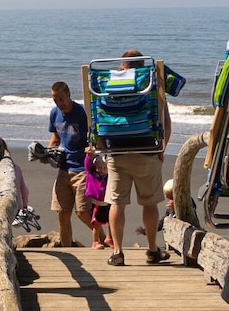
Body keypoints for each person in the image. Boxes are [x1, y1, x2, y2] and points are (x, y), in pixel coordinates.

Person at [102, 49, 170, 266]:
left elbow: (95, 117)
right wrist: (162, 148)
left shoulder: (106, 85)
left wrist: (102, 148)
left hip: (117, 151)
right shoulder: (151, 85)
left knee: (117, 203)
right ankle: (151, 250)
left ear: (122, 67)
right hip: (147, 149)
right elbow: (165, 121)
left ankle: (117, 252)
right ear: (142, 67)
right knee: (149, 203)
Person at [47, 81, 99, 247]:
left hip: (82, 168)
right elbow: (55, 138)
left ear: (69, 95)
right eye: (55, 100)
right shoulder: (54, 113)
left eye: (61, 99)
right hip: (63, 168)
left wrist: (92, 151)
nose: (59, 103)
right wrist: (47, 153)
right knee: (62, 213)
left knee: (82, 212)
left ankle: (102, 239)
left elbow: (95, 138)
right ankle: (66, 250)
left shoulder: (82, 113)